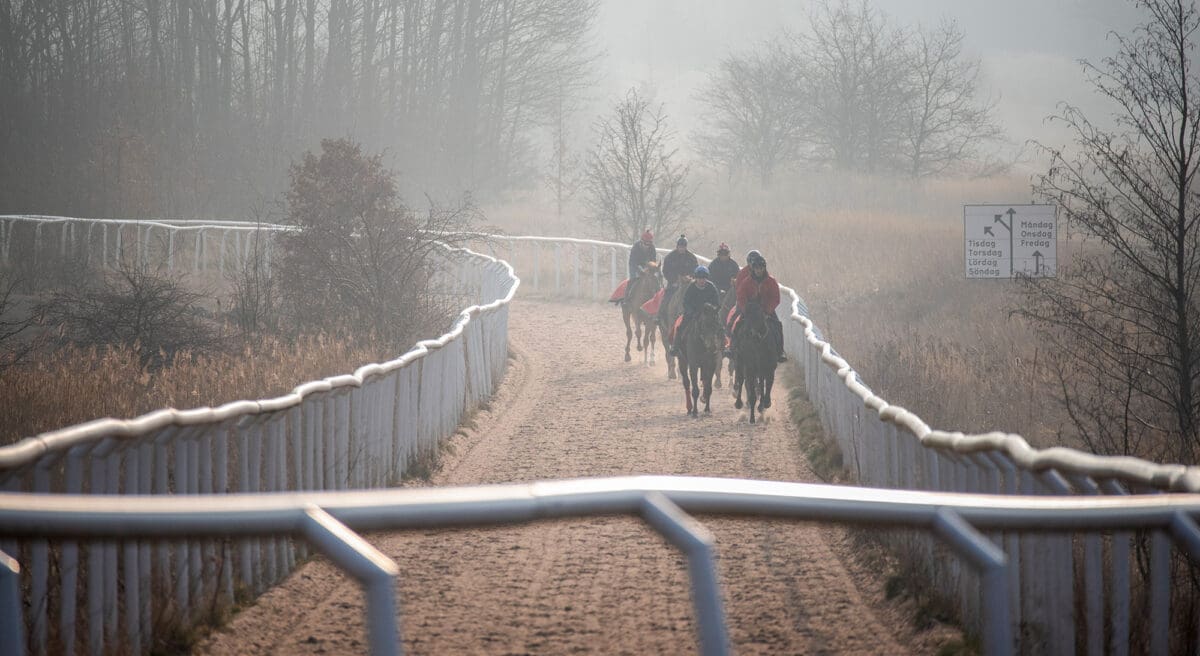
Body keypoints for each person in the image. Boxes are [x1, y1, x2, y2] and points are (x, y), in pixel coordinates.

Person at [734, 253, 787, 362]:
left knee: (777, 325)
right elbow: (741, 297)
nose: (759, 270)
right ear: (753, 269)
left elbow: (775, 298)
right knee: (738, 325)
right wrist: (746, 310)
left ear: (764, 268)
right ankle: (733, 349)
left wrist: (767, 310)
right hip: (751, 311)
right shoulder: (746, 282)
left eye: (761, 268)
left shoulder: (771, 281)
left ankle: (780, 351)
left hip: (766, 310)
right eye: (756, 268)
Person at [670, 265, 720, 356]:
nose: (701, 280)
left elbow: (716, 302)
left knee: (719, 327)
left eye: (704, 278)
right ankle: (675, 347)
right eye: (699, 278)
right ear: (696, 278)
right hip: (692, 313)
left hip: (708, 313)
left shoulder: (711, 287)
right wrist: (690, 311)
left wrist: (713, 309)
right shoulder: (691, 287)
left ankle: (724, 346)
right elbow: (685, 301)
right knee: (681, 327)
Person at [617, 229, 658, 304]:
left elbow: (653, 261)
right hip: (634, 266)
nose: (647, 245)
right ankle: (626, 300)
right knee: (633, 279)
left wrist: (650, 268)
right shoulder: (636, 247)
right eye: (646, 243)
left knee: (655, 279)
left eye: (649, 243)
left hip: (647, 267)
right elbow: (633, 261)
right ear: (642, 241)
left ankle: (657, 298)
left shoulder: (652, 248)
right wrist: (640, 270)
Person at [661, 234, 699, 309]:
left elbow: (696, 270)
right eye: (680, 246)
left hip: (688, 284)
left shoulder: (691, 258)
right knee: (666, 298)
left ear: (686, 247)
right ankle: (659, 316)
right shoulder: (670, 257)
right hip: (673, 284)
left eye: (683, 247)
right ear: (677, 246)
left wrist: (690, 278)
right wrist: (674, 281)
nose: (682, 248)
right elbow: (665, 271)